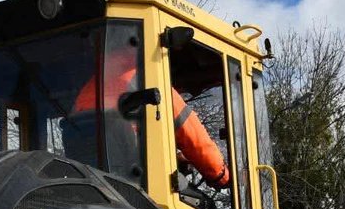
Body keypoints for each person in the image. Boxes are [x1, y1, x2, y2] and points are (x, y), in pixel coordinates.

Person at [73, 47, 230, 189]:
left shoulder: (88, 89)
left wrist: (174, 158)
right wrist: (221, 176)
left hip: (95, 179)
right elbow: (193, 137)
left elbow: (114, 138)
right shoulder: (145, 79)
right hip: (134, 183)